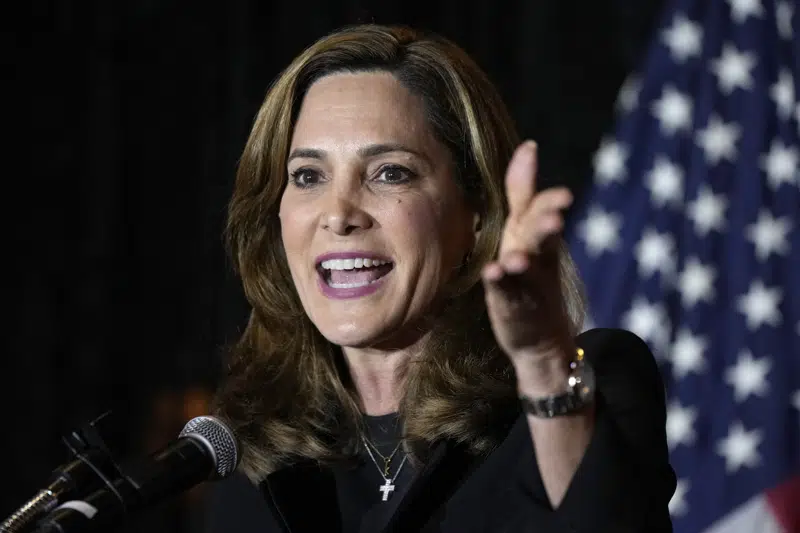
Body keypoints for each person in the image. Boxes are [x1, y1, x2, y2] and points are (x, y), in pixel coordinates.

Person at [209, 23, 676, 533]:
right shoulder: (257, 455)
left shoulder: (584, 389)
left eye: (390, 172)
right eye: (307, 176)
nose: (338, 213)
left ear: (476, 214)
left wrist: (543, 362)